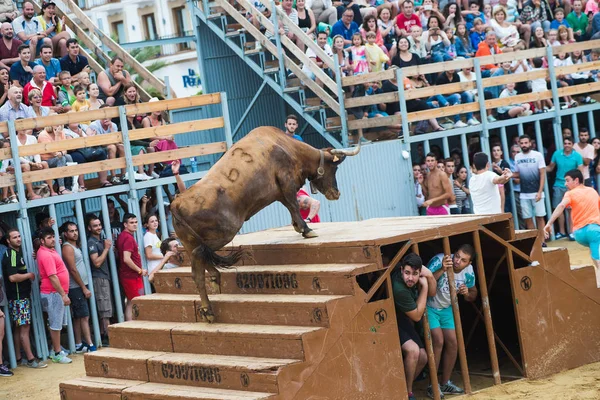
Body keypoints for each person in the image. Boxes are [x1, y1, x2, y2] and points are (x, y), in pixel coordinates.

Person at [425, 245, 477, 397]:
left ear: (469, 263)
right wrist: (442, 269)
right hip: (429, 306)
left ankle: (445, 383)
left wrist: (467, 294)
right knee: (438, 341)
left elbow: (474, 293)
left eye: (463, 260)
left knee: (453, 343)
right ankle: (432, 384)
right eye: (457, 256)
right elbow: (423, 280)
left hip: (447, 308)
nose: (457, 261)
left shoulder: (468, 272)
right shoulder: (441, 260)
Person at [544, 169, 600, 286]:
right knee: (597, 257)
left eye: (567, 180)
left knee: (595, 256)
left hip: (578, 234)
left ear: (576, 180)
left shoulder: (569, 194)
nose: (565, 184)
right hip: (594, 231)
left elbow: (561, 206)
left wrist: (549, 223)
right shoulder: (592, 191)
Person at [392, 253, 435, 400]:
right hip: (388, 319)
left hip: (402, 318)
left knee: (423, 357)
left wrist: (429, 276)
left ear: (420, 272)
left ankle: (400, 389)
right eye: (407, 273)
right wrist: (424, 288)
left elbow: (433, 292)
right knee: (413, 350)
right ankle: (407, 393)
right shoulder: (399, 288)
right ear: (401, 270)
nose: (410, 278)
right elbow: (417, 316)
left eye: (415, 274)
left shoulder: (416, 276)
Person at [1, 228, 47, 369]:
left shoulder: (16, 253)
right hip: (19, 297)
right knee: (24, 328)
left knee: (19, 328)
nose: (19, 239)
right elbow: (13, 277)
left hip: (20, 296)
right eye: (15, 237)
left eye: (19, 236)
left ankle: (19, 358)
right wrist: (29, 275)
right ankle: (31, 359)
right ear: (8, 241)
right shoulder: (11, 254)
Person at [37, 227, 72, 363]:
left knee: (56, 323)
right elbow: (52, 276)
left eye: (53, 237)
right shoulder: (45, 254)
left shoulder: (48, 251)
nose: (52, 240)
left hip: (54, 293)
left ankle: (55, 349)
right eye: (49, 238)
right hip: (53, 293)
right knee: (55, 324)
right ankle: (57, 353)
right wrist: (63, 294)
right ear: (42, 241)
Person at [60, 221, 96, 353]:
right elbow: (72, 269)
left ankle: (79, 344)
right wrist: (83, 287)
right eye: (71, 231)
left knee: (79, 317)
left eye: (76, 230)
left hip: (79, 286)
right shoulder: (67, 247)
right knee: (84, 316)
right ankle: (90, 344)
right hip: (75, 287)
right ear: (65, 233)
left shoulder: (75, 245)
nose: (74, 233)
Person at [546, 136, 583, 239]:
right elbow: (550, 167)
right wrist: (539, 168)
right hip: (558, 184)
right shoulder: (557, 154)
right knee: (559, 208)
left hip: (571, 186)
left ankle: (571, 232)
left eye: (569, 143)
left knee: (571, 209)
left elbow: (580, 172)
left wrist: (579, 186)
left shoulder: (577, 156)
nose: (567, 145)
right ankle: (562, 232)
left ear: (572, 144)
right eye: (565, 143)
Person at [514, 134, 547, 245]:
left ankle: (542, 241)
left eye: (525, 143)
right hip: (524, 194)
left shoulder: (538, 155)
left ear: (530, 143)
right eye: (521, 143)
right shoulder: (517, 157)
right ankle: (536, 242)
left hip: (537, 193)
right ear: (519, 144)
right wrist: (509, 174)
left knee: (540, 217)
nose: (524, 145)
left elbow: (542, 174)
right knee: (528, 218)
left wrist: (540, 191)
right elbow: (518, 174)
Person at [86, 214, 113, 347]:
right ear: (89, 228)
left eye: (99, 225)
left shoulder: (99, 240)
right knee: (105, 309)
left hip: (104, 277)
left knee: (106, 308)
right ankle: (107, 337)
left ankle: (104, 334)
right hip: (99, 278)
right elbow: (96, 262)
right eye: (95, 226)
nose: (98, 227)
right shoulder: (91, 242)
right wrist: (107, 248)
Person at [117, 213, 147, 321]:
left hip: (129, 275)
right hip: (131, 276)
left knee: (131, 301)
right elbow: (126, 258)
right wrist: (140, 270)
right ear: (125, 224)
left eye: (136, 222)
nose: (134, 225)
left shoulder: (123, 236)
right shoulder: (128, 238)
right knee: (136, 302)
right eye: (131, 223)